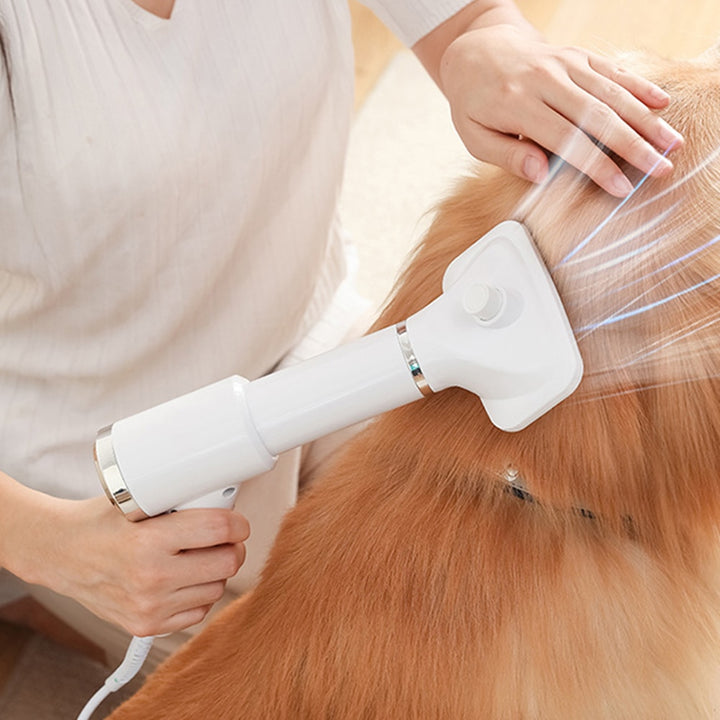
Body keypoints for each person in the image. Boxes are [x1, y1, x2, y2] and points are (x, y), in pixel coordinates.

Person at [0, 0, 682, 669]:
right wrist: (52, 548)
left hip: (321, 355)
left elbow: (466, 20)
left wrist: (483, 42)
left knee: (603, 595)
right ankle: (38, 599)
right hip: (97, 487)